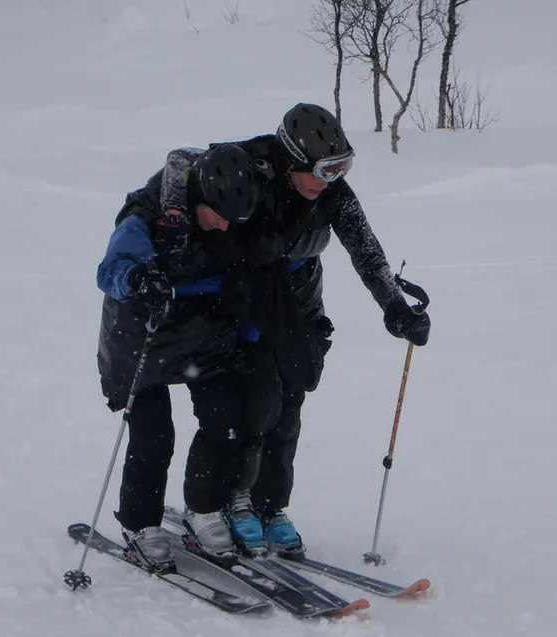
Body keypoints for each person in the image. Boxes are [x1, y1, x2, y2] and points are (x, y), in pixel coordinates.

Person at [158, 103, 431, 557]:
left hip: (299, 305)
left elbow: (367, 252)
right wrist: (173, 211)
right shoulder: (257, 161)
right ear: (291, 159)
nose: (329, 180)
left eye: (341, 168)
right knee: (248, 408)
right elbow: (181, 159)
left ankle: (271, 506)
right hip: (245, 299)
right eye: (323, 170)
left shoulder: (333, 194)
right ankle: (229, 500)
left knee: (287, 408)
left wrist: (394, 307)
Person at [96, 143, 280, 572]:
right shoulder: (147, 216)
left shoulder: (233, 220)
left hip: (203, 336)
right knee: (154, 434)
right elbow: (110, 270)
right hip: (143, 336)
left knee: (225, 418)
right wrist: (139, 278)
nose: (222, 227)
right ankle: (140, 524)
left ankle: (205, 507)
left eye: (232, 220)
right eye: (216, 215)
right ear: (199, 196)